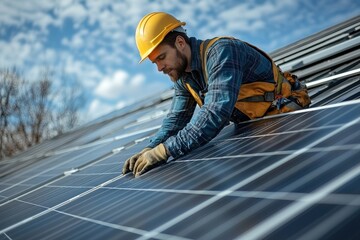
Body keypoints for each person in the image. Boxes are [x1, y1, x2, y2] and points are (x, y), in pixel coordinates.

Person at [122, 12, 309, 177]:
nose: (159, 68)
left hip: (286, 121)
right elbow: (177, 118)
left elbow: (215, 113)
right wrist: (151, 147)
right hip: (255, 127)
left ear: (180, 43)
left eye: (161, 57)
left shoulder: (222, 52)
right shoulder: (183, 77)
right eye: (154, 62)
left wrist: (165, 151)